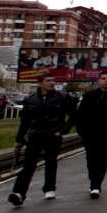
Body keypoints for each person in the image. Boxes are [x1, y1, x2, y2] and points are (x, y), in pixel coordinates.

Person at [8, 74, 76, 206]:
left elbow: (73, 116)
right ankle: (18, 193)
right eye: (48, 81)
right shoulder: (30, 100)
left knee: (51, 161)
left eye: (53, 80)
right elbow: (25, 122)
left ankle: (49, 188)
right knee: (29, 164)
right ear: (40, 83)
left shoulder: (62, 97)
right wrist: (20, 139)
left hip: (53, 134)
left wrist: (62, 131)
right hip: (35, 135)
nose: (52, 83)